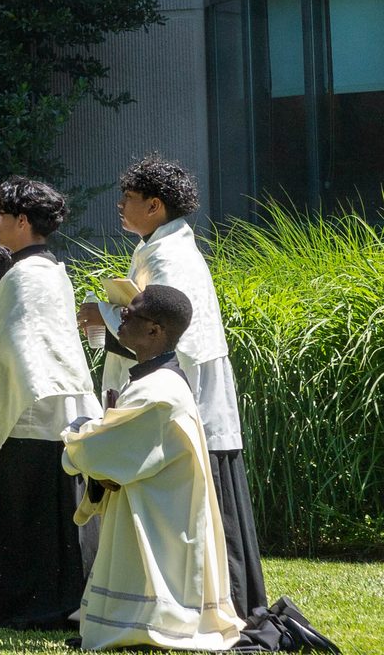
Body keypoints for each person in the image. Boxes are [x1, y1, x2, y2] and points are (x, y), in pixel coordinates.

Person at [78, 154, 266, 619]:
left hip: (187, 397)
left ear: (155, 206)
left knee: (212, 511)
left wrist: (101, 315)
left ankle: (234, 610)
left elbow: (168, 333)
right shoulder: (155, 248)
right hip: (168, 394)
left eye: (129, 200)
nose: (120, 207)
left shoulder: (171, 256)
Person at [62, 285, 243, 651]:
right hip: (155, 502)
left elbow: (100, 450)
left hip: (162, 515)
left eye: (128, 314)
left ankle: (154, 626)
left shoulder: (159, 391)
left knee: (155, 590)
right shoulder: (156, 380)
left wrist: (76, 433)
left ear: (155, 330)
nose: (120, 319)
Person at [0, 176, 99, 628]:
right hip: (34, 413)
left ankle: (32, 608)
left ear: (23, 222)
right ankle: (32, 604)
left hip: (28, 416)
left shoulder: (29, 277)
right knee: (29, 521)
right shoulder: (40, 271)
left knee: (29, 523)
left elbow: (24, 349)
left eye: (0, 216)